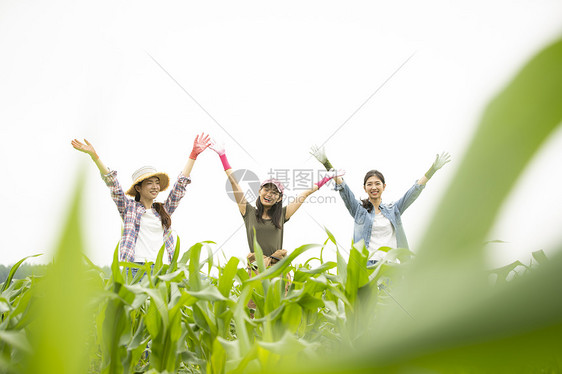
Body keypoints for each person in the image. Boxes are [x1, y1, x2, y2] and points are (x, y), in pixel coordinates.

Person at [71, 134, 211, 269]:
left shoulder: (163, 210)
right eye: (149, 183)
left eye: (157, 183)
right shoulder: (128, 208)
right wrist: (94, 156)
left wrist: (193, 155)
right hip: (135, 267)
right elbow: (112, 183)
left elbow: (179, 187)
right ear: (138, 188)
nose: (155, 186)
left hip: (162, 269)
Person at [209, 141, 342, 271]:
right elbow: (234, 183)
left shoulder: (283, 214)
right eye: (266, 190)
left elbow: (305, 193)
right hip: (256, 269)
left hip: (277, 270)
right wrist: (223, 156)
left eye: (274, 192)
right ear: (259, 191)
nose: (269, 194)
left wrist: (326, 178)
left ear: (279, 199)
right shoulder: (248, 212)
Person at [310, 145, 451, 265]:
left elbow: (413, 192)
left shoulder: (394, 210)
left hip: (389, 267)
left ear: (384, 186)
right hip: (365, 267)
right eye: (369, 184)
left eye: (377, 184)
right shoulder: (359, 210)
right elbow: (343, 188)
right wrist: (326, 163)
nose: (374, 187)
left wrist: (433, 169)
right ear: (364, 188)